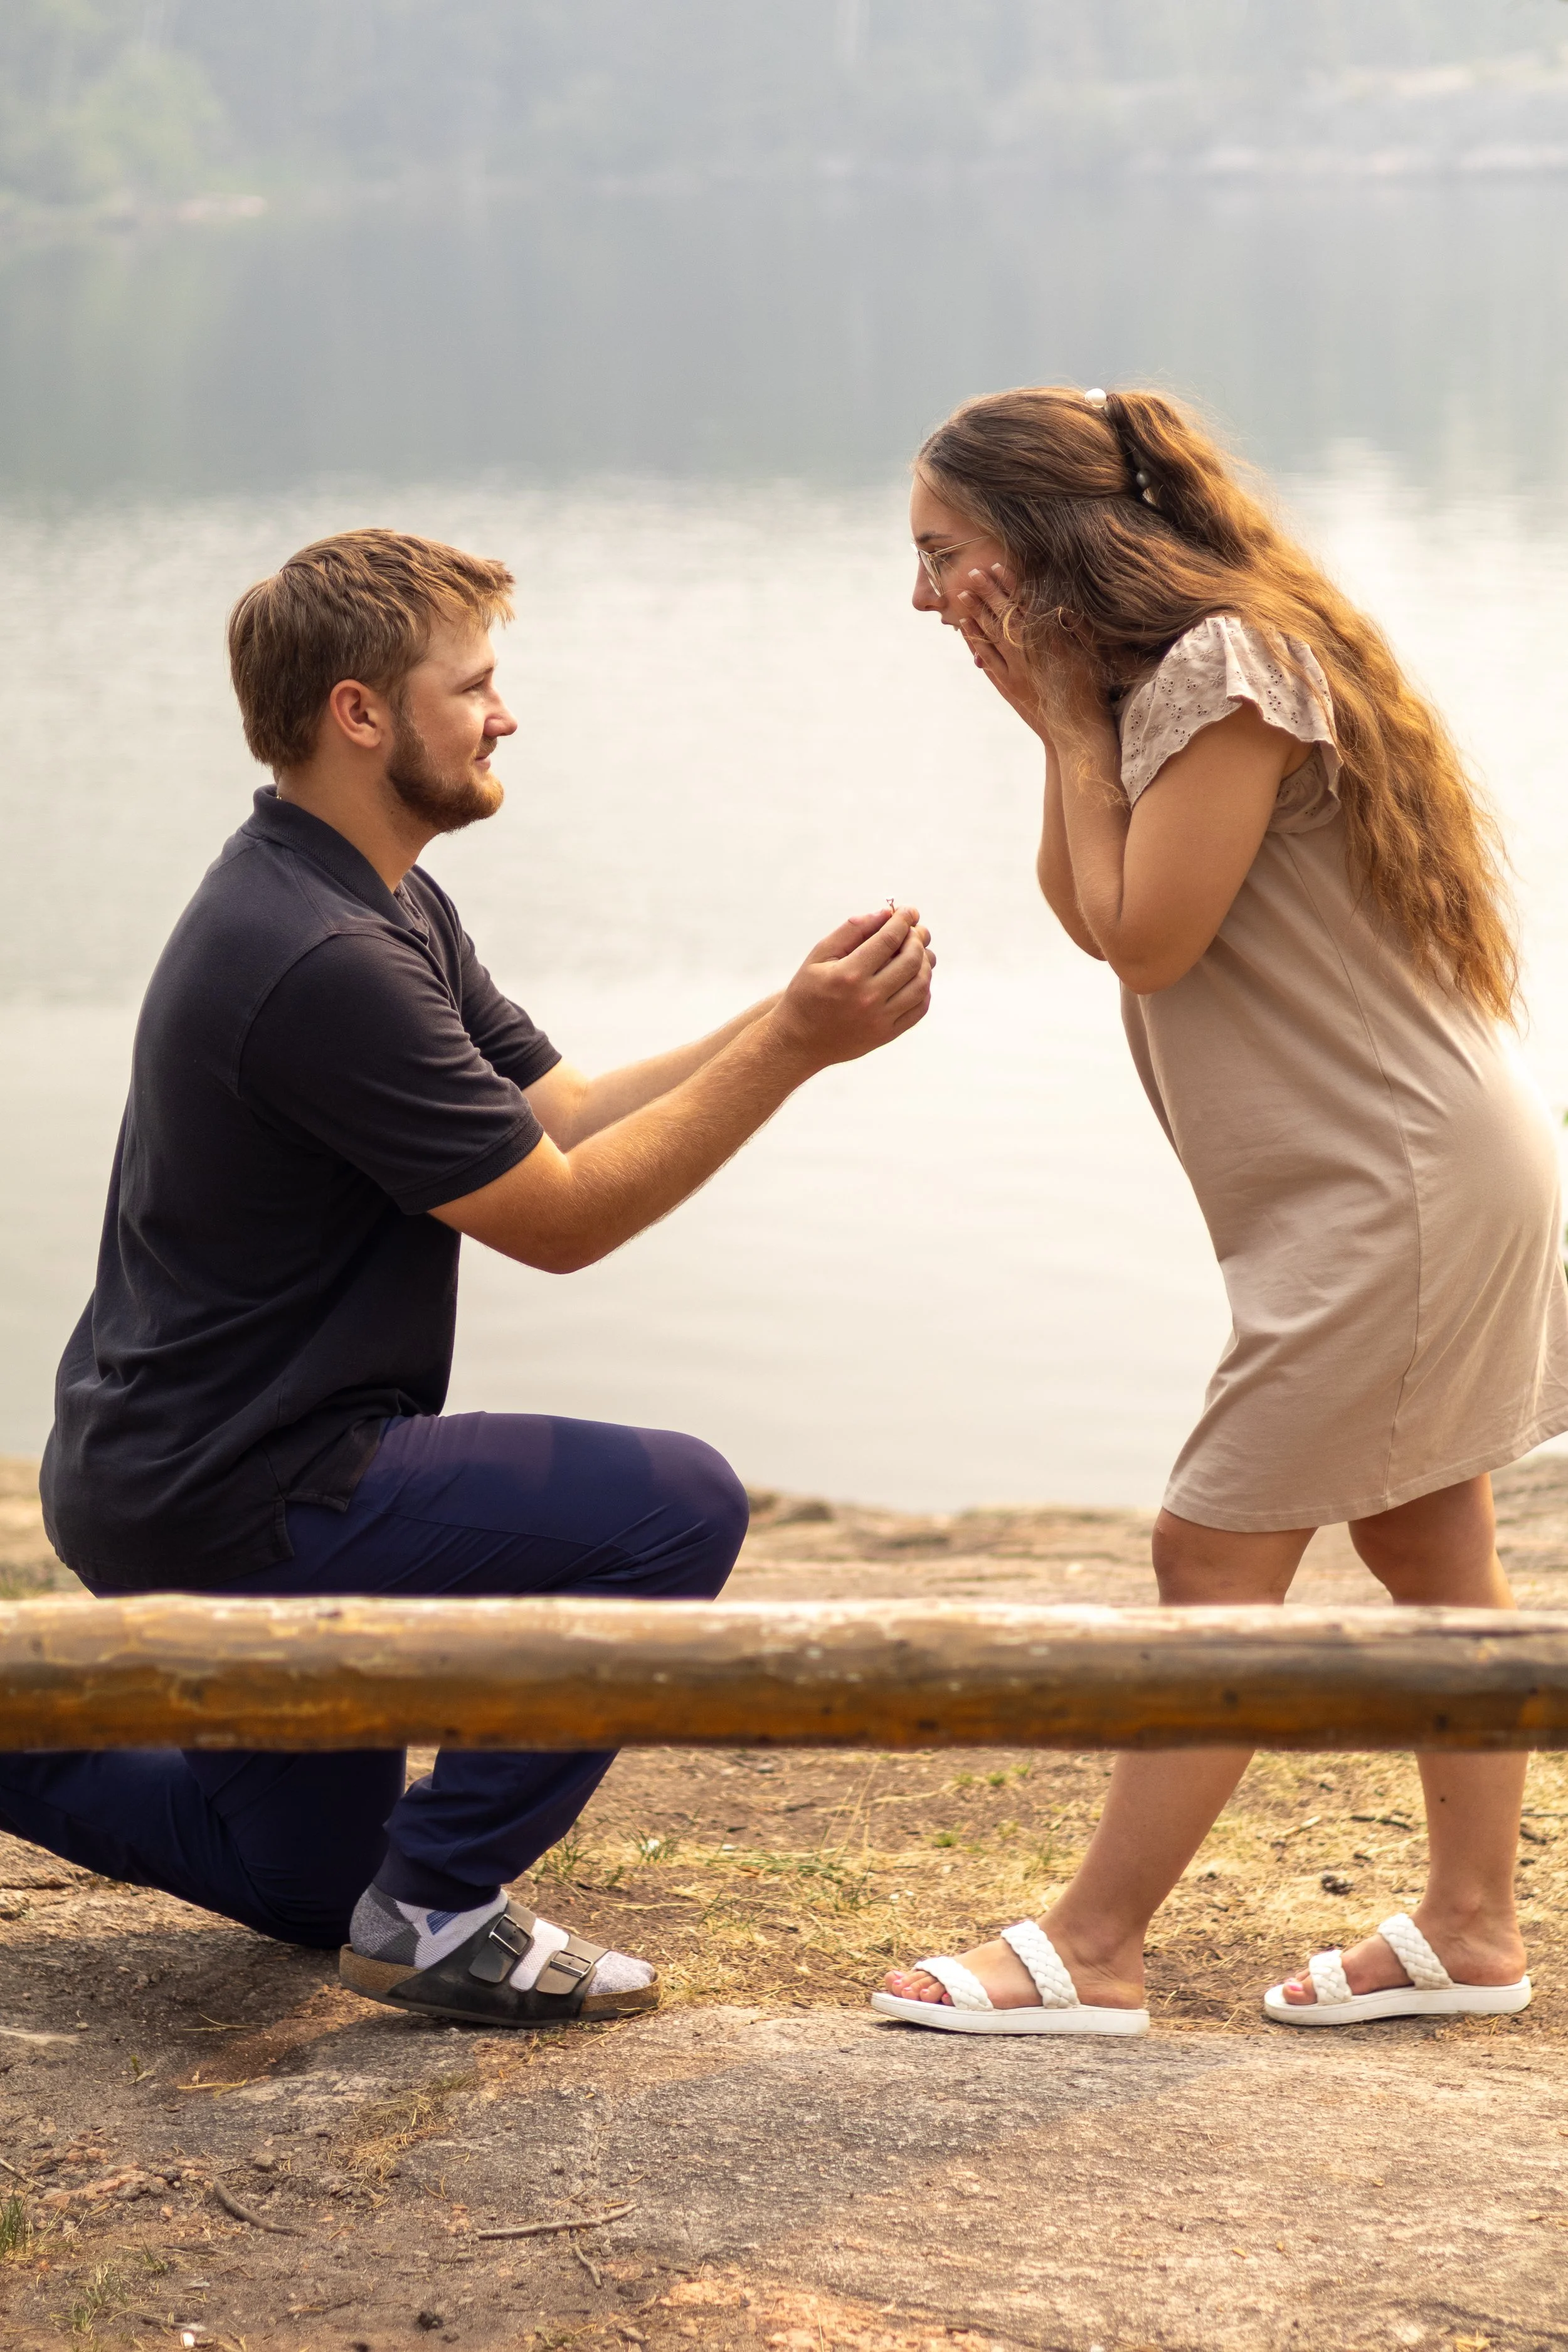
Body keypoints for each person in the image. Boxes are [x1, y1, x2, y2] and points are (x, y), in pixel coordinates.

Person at [0, 528, 933, 2030]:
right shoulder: (319, 957)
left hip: (179, 1473)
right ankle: (441, 1914)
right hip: (246, 1488)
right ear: (360, 713)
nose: (506, 714)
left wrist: (785, 1011)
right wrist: (797, 1047)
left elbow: (554, 1116)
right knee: (668, 1508)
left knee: (305, 1885)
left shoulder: (368, 894)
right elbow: (559, 1219)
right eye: (476, 685)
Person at [874, 384, 1566, 2038]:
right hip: (1395, 1171)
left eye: (940, 553)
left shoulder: (1225, 667)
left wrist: (1057, 726)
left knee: (1211, 1543)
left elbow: (1147, 936)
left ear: (1040, 544)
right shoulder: (1176, 679)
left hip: (1388, 1185)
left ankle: (1093, 1940)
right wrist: (1057, 724)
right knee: (1422, 1539)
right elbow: (1088, 900)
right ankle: (1472, 1925)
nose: (919, 598)